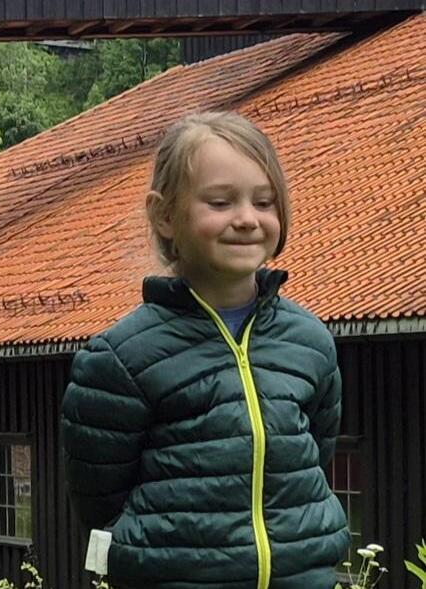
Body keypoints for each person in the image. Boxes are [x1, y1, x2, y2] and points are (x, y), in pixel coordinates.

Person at [62, 111, 350, 589]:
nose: (247, 219)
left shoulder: (310, 342)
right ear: (165, 216)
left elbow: (314, 458)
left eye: (264, 202)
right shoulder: (119, 360)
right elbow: (101, 506)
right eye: (220, 202)